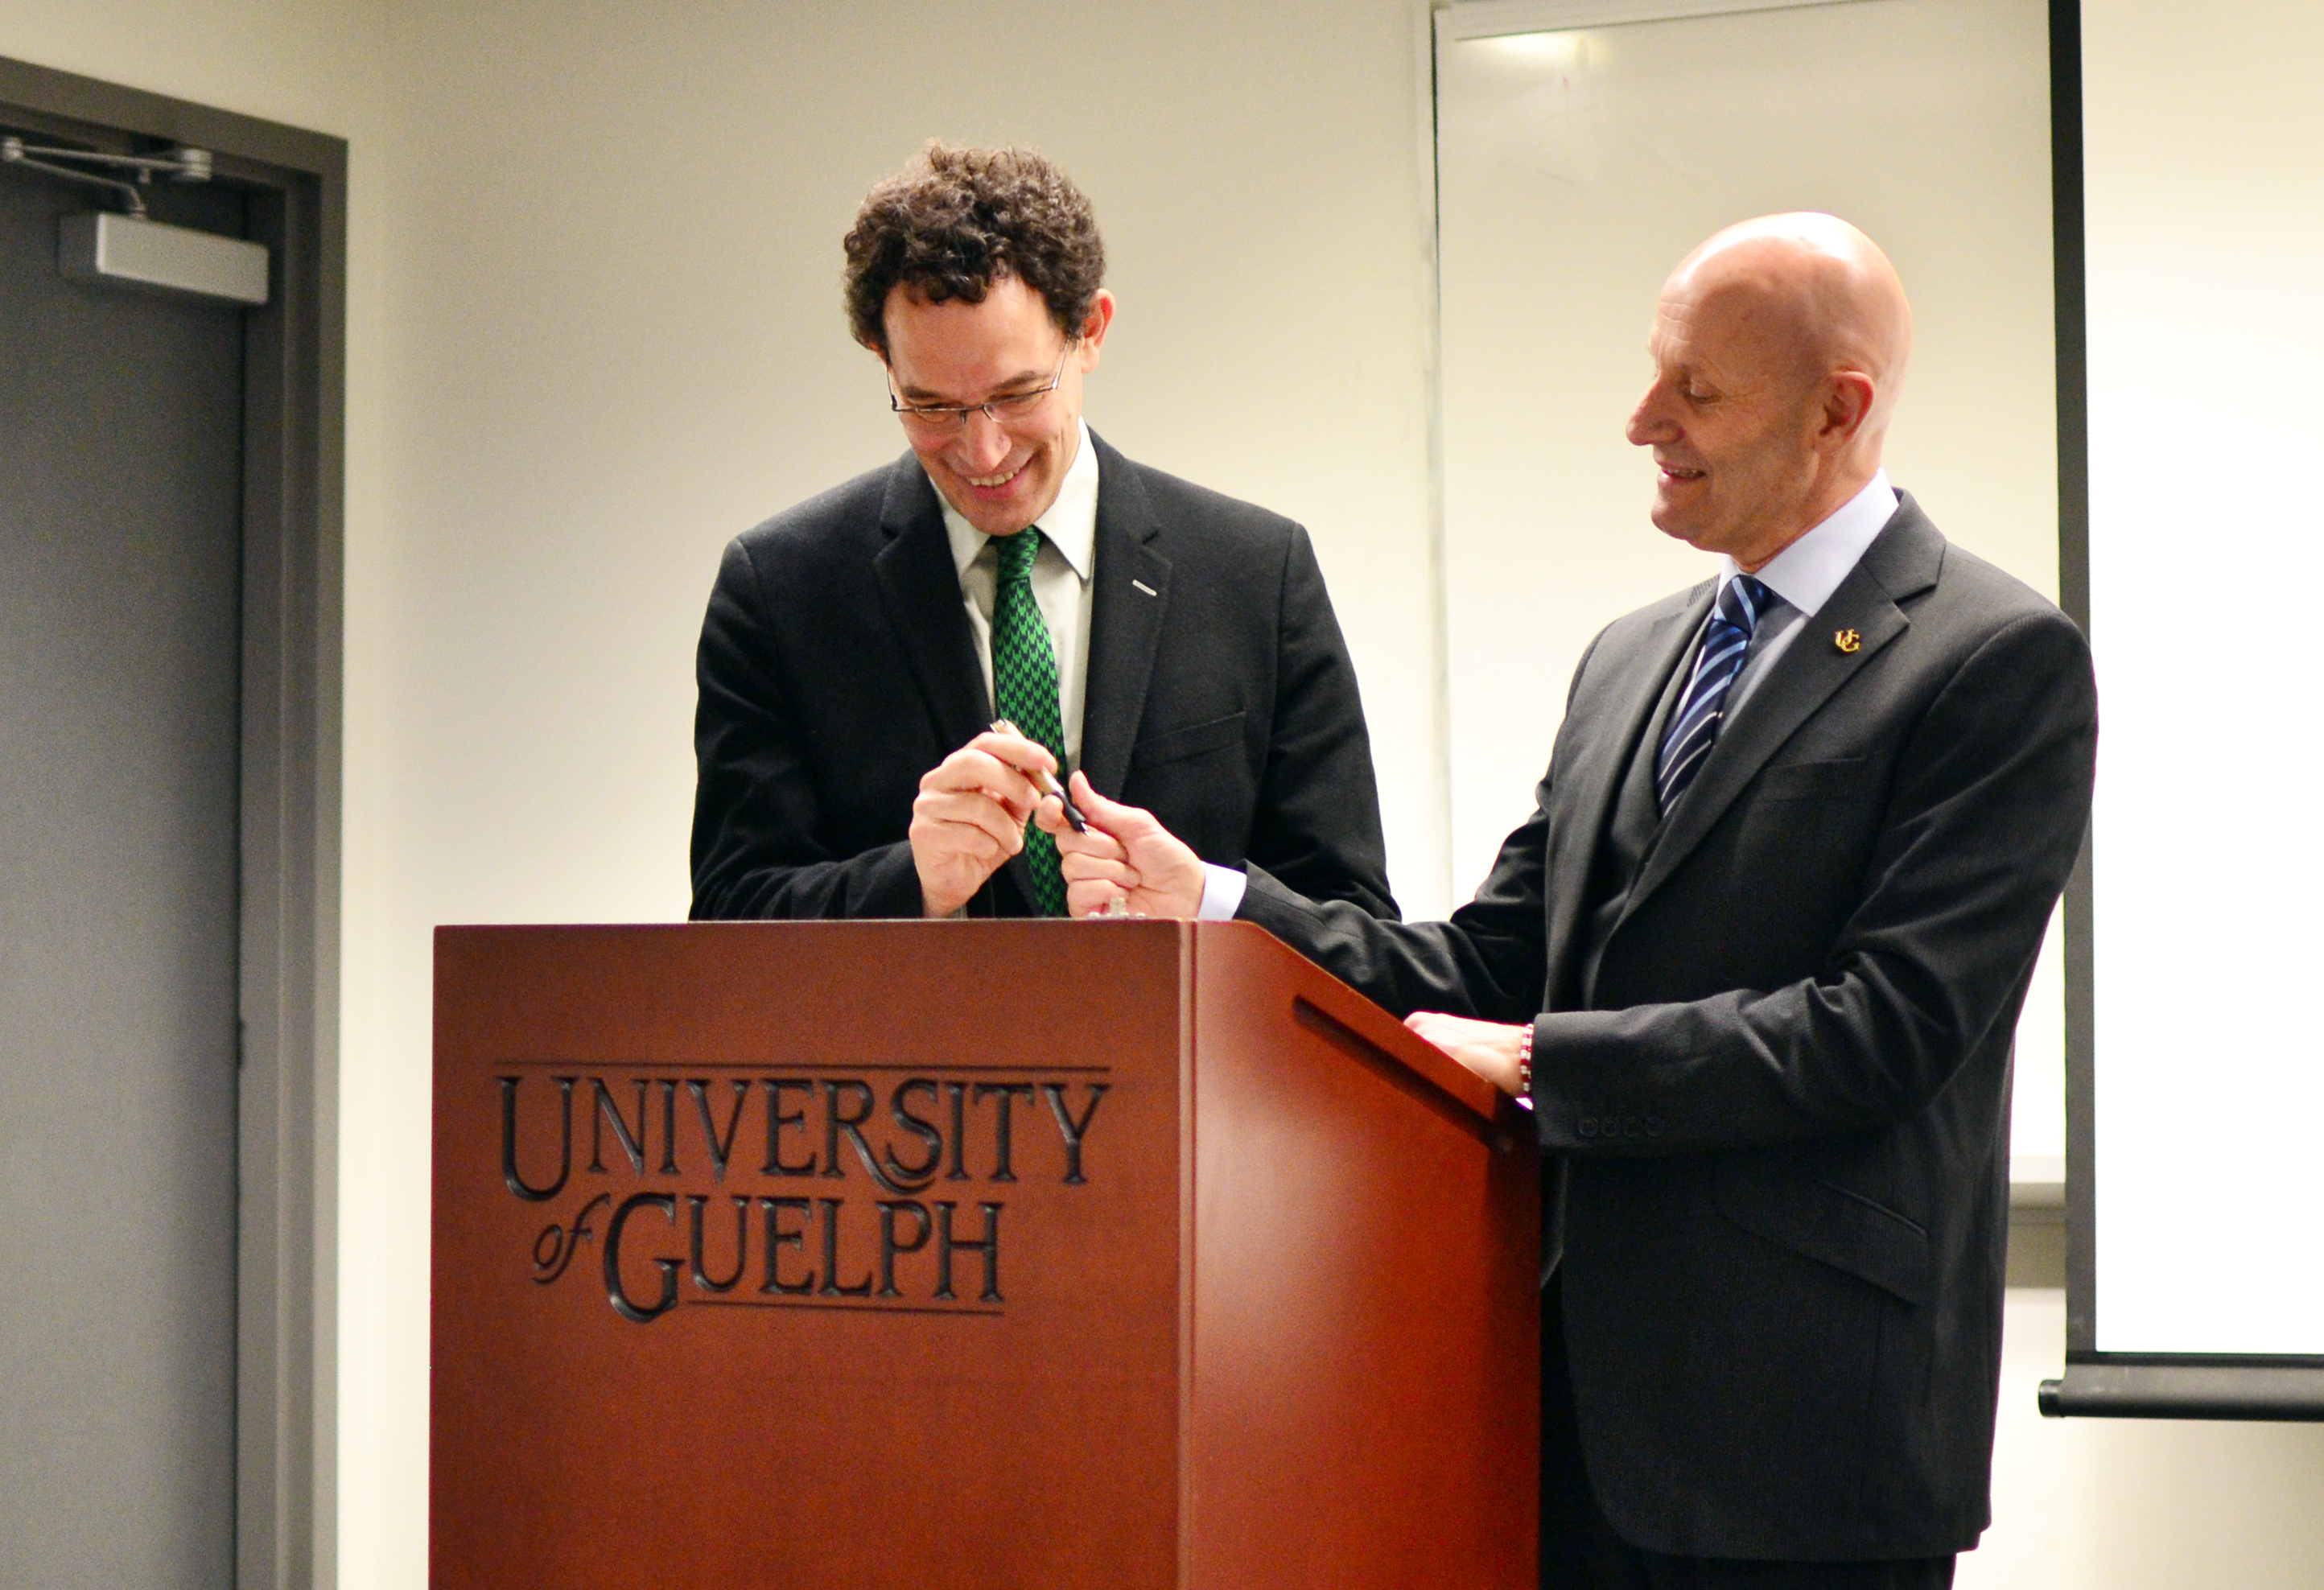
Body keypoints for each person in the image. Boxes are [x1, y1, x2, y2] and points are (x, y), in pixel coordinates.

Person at [1044, 215, 2098, 1588]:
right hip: (1563, 1419)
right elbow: (1491, 956)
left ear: (1839, 409)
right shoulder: (1630, 658)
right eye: (1654, 372)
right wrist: (1220, 900)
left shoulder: (1992, 661)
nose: (1640, 419)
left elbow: (1884, 1028)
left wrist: (1549, 1064)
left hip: (1804, 1445)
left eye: (1695, 392)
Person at [689, 141, 1396, 923]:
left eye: (1018, 392)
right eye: (930, 405)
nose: (982, 450)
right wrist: (912, 881)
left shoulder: (1257, 576)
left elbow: (1353, 923)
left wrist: (1206, 904)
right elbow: (729, 916)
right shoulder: (779, 590)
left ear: (1089, 330)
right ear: (880, 361)